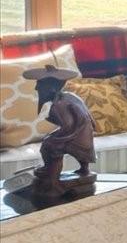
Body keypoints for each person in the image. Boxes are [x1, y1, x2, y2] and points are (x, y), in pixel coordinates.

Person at [27, 64, 95, 196]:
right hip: (86, 137)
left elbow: (68, 126)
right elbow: (86, 118)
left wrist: (54, 139)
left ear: (50, 88)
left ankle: (53, 182)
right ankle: (84, 169)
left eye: (39, 86)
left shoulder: (58, 105)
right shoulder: (70, 96)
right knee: (51, 140)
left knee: (48, 146)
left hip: (77, 138)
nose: (36, 88)